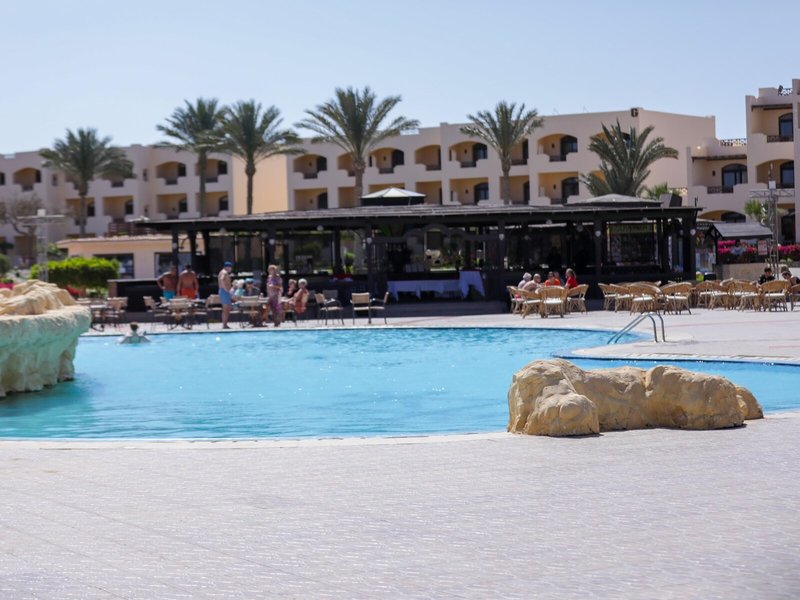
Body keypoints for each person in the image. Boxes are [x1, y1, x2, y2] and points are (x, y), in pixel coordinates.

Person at [218, 261, 234, 329]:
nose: (231, 269)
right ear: (228, 267)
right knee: (225, 309)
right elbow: (221, 279)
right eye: (230, 267)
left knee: (227, 309)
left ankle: (225, 324)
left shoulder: (223, 272)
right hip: (224, 292)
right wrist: (226, 289)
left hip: (224, 292)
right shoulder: (224, 272)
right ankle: (224, 325)